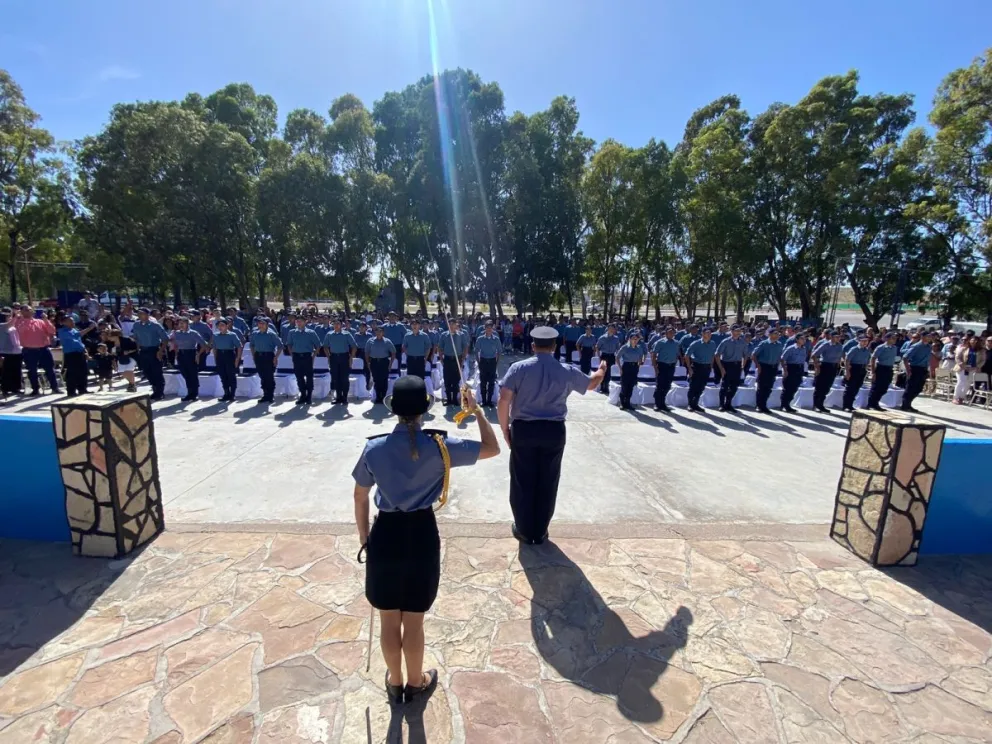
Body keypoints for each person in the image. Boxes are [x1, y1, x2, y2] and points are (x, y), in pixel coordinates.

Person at [353, 375, 498, 705]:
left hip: (386, 533)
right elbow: (492, 448)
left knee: (389, 618)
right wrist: (476, 412)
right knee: (414, 620)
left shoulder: (374, 448)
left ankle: (395, 682)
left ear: (394, 410)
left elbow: (360, 495)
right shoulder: (441, 446)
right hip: (421, 533)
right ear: (424, 411)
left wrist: (364, 537)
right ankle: (415, 682)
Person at [497, 326, 608, 544]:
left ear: (533, 346)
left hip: (524, 429)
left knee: (522, 479)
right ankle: (540, 531)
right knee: (548, 480)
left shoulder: (518, 368)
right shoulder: (566, 370)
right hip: (553, 431)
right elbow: (592, 383)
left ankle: (524, 529)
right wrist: (602, 369)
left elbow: (504, 400)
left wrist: (505, 429)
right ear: (555, 347)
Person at [12, 305, 61, 396]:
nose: (30, 311)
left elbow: (52, 331)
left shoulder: (40, 321)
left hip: (43, 348)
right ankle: (35, 389)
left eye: (30, 309)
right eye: (27, 310)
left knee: (50, 368)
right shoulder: (19, 322)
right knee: (32, 370)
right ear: (22, 312)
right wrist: (21, 319)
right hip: (29, 350)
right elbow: (20, 331)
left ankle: (55, 387)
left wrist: (46, 320)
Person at [130, 308, 170, 400]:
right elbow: (135, 337)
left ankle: (160, 392)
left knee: (157, 372)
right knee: (146, 372)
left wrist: (161, 351)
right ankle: (155, 389)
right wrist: (137, 348)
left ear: (148, 315)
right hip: (143, 351)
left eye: (142, 314)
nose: (140, 315)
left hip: (154, 350)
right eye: (139, 314)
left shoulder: (155, 325)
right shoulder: (136, 325)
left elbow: (165, 338)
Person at [171, 317, 207, 402]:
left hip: (190, 354)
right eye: (180, 323)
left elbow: (203, 344)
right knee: (185, 374)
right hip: (181, 355)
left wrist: (198, 354)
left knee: (192, 374)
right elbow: (175, 344)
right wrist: (176, 353)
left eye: (183, 323)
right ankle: (190, 393)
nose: (181, 325)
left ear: (187, 324)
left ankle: (194, 394)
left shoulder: (193, 333)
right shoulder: (177, 333)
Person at [322, 319, 358, 404]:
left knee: (344, 378)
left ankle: (345, 397)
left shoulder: (346, 334)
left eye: (338, 324)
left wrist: (351, 358)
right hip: (334, 357)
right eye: (334, 324)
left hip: (344, 357)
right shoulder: (329, 334)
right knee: (336, 378)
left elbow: (354, 346)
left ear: (341, 325)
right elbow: (325, 346)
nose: (336, 325)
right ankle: (338, 397)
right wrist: (329, 356)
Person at [287, 316, 321, 406]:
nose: (299, 323)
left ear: (305, 322)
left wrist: (313, 356)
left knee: (309, 377)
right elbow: (289, 344)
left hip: (307, 357)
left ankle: (309, 396)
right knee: (299, 377)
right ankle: (303, 395)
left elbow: (318, 345)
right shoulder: (292, 332)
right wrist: (292, 354)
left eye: (301, 321)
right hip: (296, 357)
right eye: (297, 321)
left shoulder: (311, 332)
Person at [715, 324, 747, 413]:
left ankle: (728, 403)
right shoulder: (726, 341)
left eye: (739, 331)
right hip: (727, 365)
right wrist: (721, 368)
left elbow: (745, 355)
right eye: (736, 331)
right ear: (732, 332)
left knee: (734, 387)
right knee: (725, 386)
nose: (738, 333)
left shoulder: (742, 342)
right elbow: (717, 355)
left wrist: (743, 366)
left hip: (737, 366)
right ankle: (721, 404)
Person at [810, 330, 844, 413]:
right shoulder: (826, 344)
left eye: (839, 337)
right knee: (820, 386)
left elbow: (840, 356)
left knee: (827, 387)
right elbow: (814, 355)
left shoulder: (840, 345)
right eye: (836, 337)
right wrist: (817, 367)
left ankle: (821, 404)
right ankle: (816, 405)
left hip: (833, 367)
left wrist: (838, 363)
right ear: (831, 337)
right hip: (825, 366)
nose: (838, 338)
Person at [250, 318, 282, 404]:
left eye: (263, 324)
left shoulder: (271, 334)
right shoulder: (255, 334)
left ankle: (270, 395)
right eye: (259, 323)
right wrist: (253, 355)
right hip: (258, 356)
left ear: (267, 325)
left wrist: (275, 357)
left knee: (269, 376)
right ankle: (265, 395)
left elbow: (280, 346)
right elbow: (252, 345)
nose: (261, 325)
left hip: (268, 356)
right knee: (262, 376)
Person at [752, 329, 784, 413]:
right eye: (775, 333)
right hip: (764, 367)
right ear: (769, 334)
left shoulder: (779, 344)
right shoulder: (764, 343)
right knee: (762, 387)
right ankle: (759, 405)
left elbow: (780, 356)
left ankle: (764, 405)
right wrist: (758, 365)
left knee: (769, 387)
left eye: (778, 334)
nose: (777, 335)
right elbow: (754, 355)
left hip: (773, 368)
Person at [685, 328, 717, 412]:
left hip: (706, 368)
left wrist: (711, 366)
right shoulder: (696, 343)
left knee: (701, 387)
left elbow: (713, 355)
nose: (709, 335)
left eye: (710, 333)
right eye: (707, 333)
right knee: (693, 386)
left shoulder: (712, 343)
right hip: (697, 367)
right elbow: (687, 355)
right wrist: (689, 368)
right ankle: (690, 404)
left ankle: (695, 404)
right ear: (702, 334)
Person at [901, 332, 933, 413]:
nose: (930, 338)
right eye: (928, 336)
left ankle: (909, 403)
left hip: (923, 369)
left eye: (930, 336)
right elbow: (905, 357)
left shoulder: (929, 347)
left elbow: (928, 359)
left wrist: (928, 370)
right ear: (922, 337)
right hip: (915, 368)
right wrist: (908, 370)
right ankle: (905, 405)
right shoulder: (916, 346)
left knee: (919, 388)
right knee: (911, 387)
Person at [57, 316, 89, 397]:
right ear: (64, 322)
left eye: (73, 321)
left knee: (83, 372)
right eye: (70, 321)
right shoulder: (62, 331)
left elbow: (79, 341)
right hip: (71, 354)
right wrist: (89, 328)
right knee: (72, 373)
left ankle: (82, 389)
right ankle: (71, 391)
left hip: (80, 353)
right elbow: (76, 336)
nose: (73, 322)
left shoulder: (74, 330)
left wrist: (85, 350)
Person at [212, 319, 243, 402]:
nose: (220, 327)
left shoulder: (232, 335)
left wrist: (237, 359)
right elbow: (214, 348)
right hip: (220, 355)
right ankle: (226, 393)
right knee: (223, 375)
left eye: (222, 325)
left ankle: (232, 394)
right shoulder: (215, 335)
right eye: (218, 326)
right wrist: (215, 358)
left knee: (231, 375)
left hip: (229, 355)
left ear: (227, 326)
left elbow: (239, 346)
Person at [866, 333, 899, 410]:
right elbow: (873, 358)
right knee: (876, 387)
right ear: (887, 339)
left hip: (889, 369)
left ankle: (876, 403)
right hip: (881, 368)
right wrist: (873, 372)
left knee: (884, 388)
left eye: (895, 338)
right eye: (893, 338)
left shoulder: (894, 348)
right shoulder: (881, 347)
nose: (895, 340)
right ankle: (870, 404)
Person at [366, 325, 397, 405]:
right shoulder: (370, 341)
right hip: (374, 362)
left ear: (383, 332)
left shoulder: (387, 341)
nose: (379, 333)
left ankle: (383, 397)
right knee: (376, 380)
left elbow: (393, 352)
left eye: (380, 331)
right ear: (375, 332)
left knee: (384, 380)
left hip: (384, 362)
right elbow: (367, 353)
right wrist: (368, 363)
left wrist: (390, 364)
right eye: (377, 331)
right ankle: (378, 397)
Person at [650, 326, 679, 412]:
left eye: (673, 332)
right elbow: (653, 355)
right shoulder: (660, 342)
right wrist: (655, 368)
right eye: (669, 332)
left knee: (667, 385)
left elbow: (676, 355)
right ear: (666, 333)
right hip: (662, 366)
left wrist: (674, 363)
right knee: (660, 385)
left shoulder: (676, 343)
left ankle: (662, 403)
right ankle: (657, 403)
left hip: (671, 366)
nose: (671, 334)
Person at [616, 330, 646, 410]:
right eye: (633, 339)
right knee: (624, 385)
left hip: (634, 367)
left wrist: (638, 366)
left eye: (636, 339)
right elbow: (617, 357)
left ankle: (628, 403)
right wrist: (620, 368)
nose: (635, 340)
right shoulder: (625, 347)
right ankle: (622, 403)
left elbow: (641, 357)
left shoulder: (639, 348)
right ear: (629, 339)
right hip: (626, 367)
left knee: (631, 386)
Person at [439, 320, 466, 407]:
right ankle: (449, 399)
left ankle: (454, 399)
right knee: (447, 380)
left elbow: (465, 347)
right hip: (447, 360)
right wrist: (441, 360)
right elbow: (440, 348)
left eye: (453, 324)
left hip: (457, 359)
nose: (451, 326)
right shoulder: (444, 335)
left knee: (456, 380)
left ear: (456, 325)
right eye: (449, 324)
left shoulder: (461, 335)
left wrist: (463, 359)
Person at [842, 335, 872, 412]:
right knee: (850, 388)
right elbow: (847, 360)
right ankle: (846, 405)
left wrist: (866, 368)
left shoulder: (867, 350)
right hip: (854, 368)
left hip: (862, 369)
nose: (865, 342)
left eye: (866, 341)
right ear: (859, 341)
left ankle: (850, 405)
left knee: (856, 388)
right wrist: (847, 371)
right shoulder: (854, 349)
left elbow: (868, 359)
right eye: (863, 341)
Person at [953, 336, 986, 405]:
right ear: (969, 341)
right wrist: (961, 364)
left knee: (967, 384)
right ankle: (955, 398)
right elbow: (957, 357)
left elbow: (983, 360)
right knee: (960, 382)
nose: (974, 342)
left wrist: (977, 367)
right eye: (972, 340)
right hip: (962, 368)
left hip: (973, 369)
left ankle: (961, 398)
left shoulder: (981, 350)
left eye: (975, 340)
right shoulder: (964, 348)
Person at [779, 334, 807, 413]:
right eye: (802, 338)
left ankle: (787, 403)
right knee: (788, 387)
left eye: (804, 339)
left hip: (799, 368)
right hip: (791, 368)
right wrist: (785, 370)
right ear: (797, 339)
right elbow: (782, 359)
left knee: (795, 387)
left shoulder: (804, 349)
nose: (804, 340)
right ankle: (784, 405)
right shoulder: (791, 348)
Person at [476, 321, 502, 407]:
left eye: (490, 328)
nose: (489, 329)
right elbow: (476, 352)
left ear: (492, 328)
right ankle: (483, 401)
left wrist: (496, 363)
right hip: (483, 361)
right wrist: (479, 363)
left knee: (491, 382)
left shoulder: (496, 339)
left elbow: (499, 352)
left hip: (492, 362)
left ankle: (489, 401)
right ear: (485, 328)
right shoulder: (480, 339)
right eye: (487, 327)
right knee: (483, 382)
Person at [0, 309, 23, 398]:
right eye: (7, 316)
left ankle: (16, 388)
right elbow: (10, 323)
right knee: (7, 371)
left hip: (17, 351)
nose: (9, 318)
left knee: (16, 370)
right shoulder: (2, 326)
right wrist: (16, 316)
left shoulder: (12, 327)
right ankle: (5, 388)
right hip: (6, 352)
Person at [595, 325, 622, 395]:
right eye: (611, 329)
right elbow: (597, 347)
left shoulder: (616, 338)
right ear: (608, 329)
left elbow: (618, 348)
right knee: (603, 372)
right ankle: (602, 387)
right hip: (604, 356)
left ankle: (606, 387)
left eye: (613, 329)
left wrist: (617, 357)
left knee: (610, 372)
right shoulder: (602, 337)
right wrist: (599, 357)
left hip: (612, 356)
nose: (612, 330)